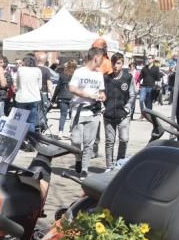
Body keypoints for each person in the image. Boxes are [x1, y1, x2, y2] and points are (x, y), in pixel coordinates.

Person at [68, 46, 106, 175]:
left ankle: (84, 169)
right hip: (79, 111)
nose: (103, 61)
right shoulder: (80, 72)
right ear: (96, 57)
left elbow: (101, 91)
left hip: (93, 112)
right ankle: (78, 158)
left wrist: (102, 96)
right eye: (102, 58)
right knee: (76, 141)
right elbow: (72, 88)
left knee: (89, 143)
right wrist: (88, 95)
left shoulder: (99, 74)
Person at [102, 53, 135, 169]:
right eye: (113, 63)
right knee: (109, 141)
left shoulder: (128, 78)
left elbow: (132, 95)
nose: (115, 66)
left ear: (122, 64)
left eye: (118, 63)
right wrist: (103, 108)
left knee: (124, 139)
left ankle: (119, 164)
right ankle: (109, 166)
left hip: (123, 115)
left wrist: (127, 108)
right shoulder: (106, 78)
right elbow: (101, 94)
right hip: (109, 115)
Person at [13, 54, 42, 131]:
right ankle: (31, 138)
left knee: (20, 120)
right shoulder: (38, 70)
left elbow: (17, 83)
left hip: (21, 98)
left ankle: (21, 138)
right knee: (32, 120)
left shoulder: (20, 70)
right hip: (34, 98)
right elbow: (40, 86)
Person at [54, 60, 75, 139]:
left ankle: (60, 132)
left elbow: (58, 87)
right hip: (72, 97)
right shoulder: (75, 75)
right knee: (72, 115)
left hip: (62, 97)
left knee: (63, 115)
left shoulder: (62, 75)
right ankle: (71, 132)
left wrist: (53, 99)